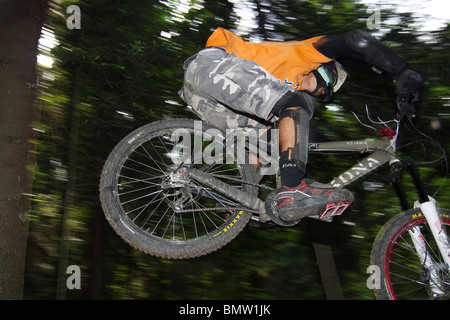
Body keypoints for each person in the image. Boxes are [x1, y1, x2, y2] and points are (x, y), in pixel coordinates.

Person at [179, 27, 422, 223]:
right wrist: (400, 70)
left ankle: (237, 199)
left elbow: (273, 146)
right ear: (322, 70)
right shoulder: (303, 55)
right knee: (297, 104)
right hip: (213, 65)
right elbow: (353, 40)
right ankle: (293, 189)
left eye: (326, 94)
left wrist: (246, 195)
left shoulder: (277, 92)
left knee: (272, 144)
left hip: (206, 101)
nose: (322, 93)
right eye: (327, 85)